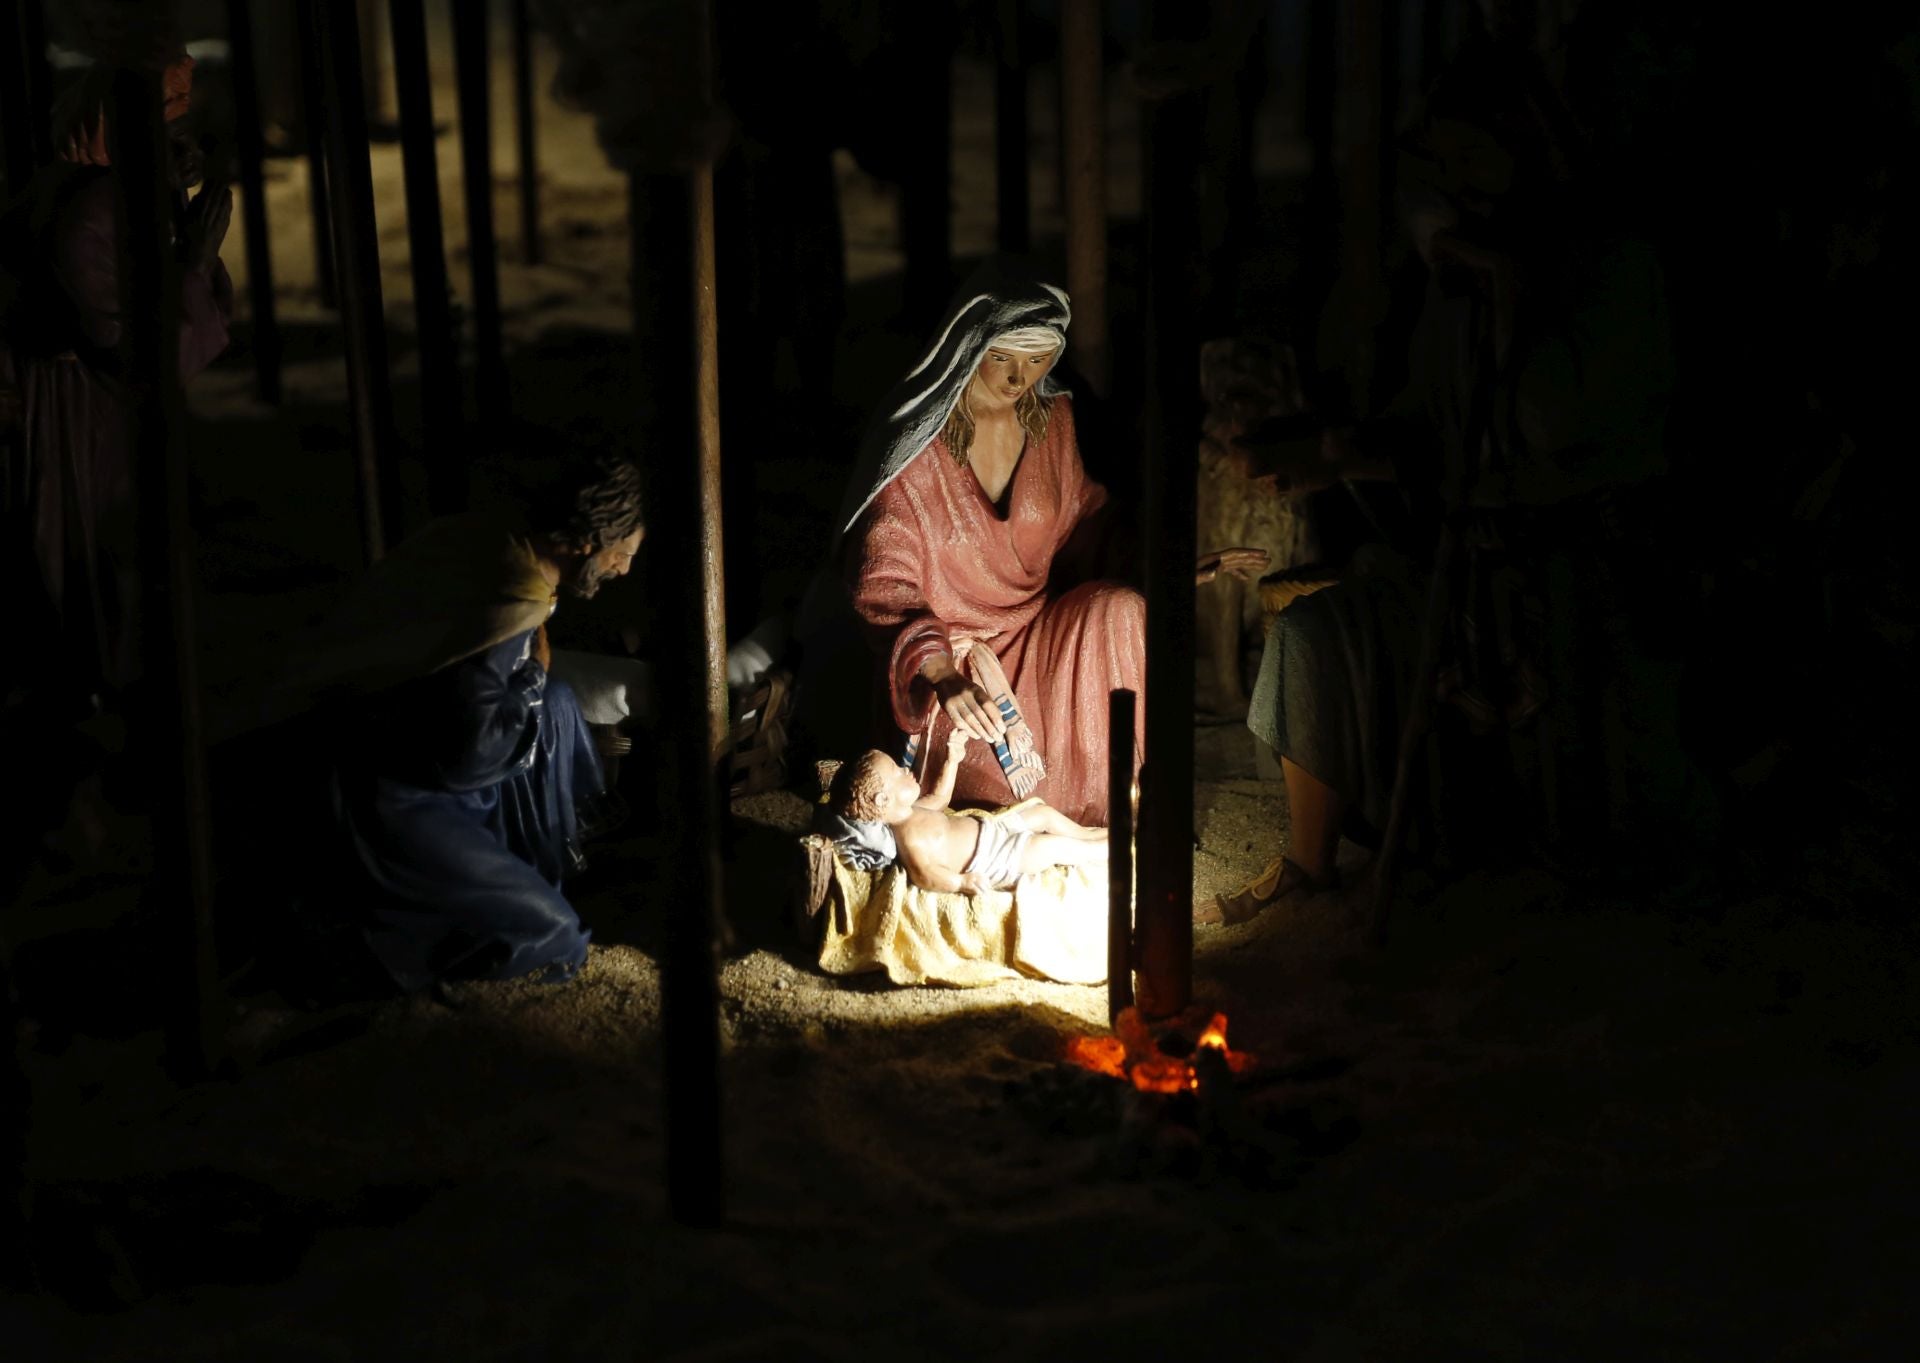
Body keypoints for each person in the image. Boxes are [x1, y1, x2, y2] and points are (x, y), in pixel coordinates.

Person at [1209, 41, 1715, 924]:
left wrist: (1508, 299)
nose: (1456, 185)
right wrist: (1330, 452)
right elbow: (1424, 426)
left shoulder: (1610, 268)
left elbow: (1546, 434)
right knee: (1311, 637)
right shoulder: (1460, 277)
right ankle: (1309, 860)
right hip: (1460, 569)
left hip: (1573, 581)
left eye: (1470, 159)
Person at [836, 266, 1264, 827]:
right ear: (970, 349)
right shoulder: (918, 445)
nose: (1020, 377)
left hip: (1041, 641)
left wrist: (1161, 567)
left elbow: (1085, 526)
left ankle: (1133, 804)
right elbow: (883, 583)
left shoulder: (1052, 424)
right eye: (1004, 358)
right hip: (955, 661)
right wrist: (940, 673)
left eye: (1037, 360)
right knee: (989, 776)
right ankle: (1052, 810)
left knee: (1120, 610)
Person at [280, 454, 646, 993]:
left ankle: (533, 867)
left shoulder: (502, 549)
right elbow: (468, 753)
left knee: (561, 701)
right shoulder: (502, 603)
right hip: (400, 795)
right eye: (625, 552)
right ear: (590, 540)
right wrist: (531, 681)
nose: (625, 568)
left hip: (443, 777)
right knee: (556, 935)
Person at [0, 44, 232, 885]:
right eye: (163, 113)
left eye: (181, 112)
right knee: (81, 612)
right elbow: (138, 346)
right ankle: (73, 825)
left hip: (80, 432)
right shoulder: (89, 208)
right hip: (75, 439)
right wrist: (194, 268)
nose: (180, 127)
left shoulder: (86, 193)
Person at [829, 730, 1107, 897]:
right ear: (883, 799)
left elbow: (940, 798)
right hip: (994, 858)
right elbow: (925, 875)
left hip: (991, 829)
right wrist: (960, 882)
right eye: (898, 773)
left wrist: (953, 760)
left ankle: (1088, 833)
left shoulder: (914, 811)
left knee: (1042, 813)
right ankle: (1103, 850)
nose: (906, 770)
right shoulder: (910, 837)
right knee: (1048, 847)